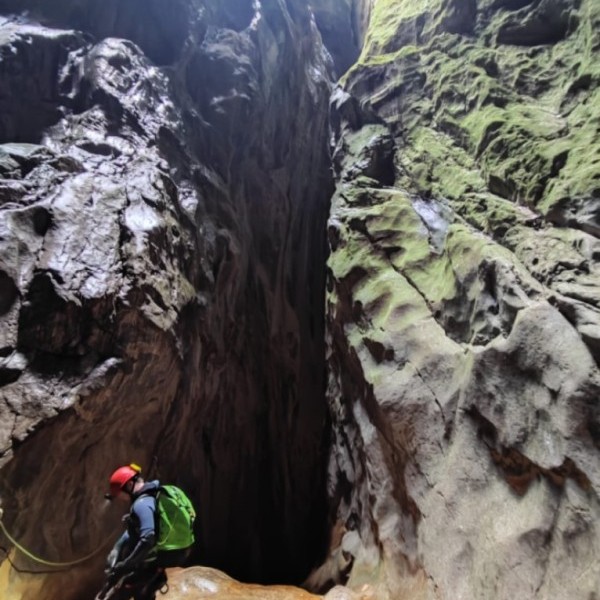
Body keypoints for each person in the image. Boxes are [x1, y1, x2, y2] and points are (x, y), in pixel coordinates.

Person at [103, 465, 192, 600]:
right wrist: (117, 549)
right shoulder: (155, 493)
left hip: (167, 555)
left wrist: (127, 564)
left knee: (129, 584)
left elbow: (148, 538)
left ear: (129, 485)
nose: (122, 499)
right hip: (181, 547)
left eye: (121, 495)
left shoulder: (142, 504)